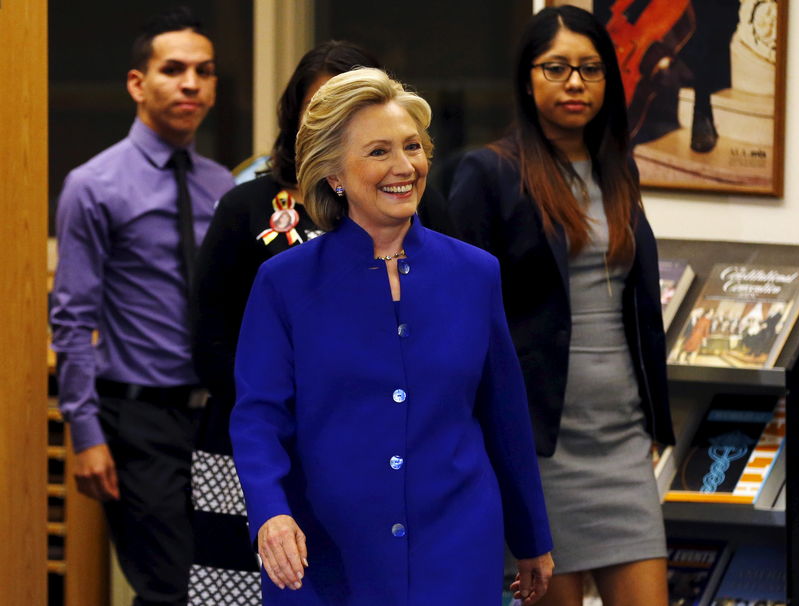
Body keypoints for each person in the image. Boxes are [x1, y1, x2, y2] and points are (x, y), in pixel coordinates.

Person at [229, 67, 554, 606]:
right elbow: (258, 416)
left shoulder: (476, 273)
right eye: (379, 152)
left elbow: (505, 417)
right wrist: (270, 512)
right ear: (334, 173)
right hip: (325, 550)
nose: (405, 167)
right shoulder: (284, 282)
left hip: (456, 548)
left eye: (413, 147)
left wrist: (531, 539)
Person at [446, 6, 675, 606]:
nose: (575, 83)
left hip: (622, 442)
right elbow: (458, 315)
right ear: (528, 78)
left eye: (591, 69)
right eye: (557, 68)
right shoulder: (490, 173)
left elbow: (636, 304)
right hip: (538, 446)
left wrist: (654, 417)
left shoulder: (619, 169)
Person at [50, 7, 234, 605]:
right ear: (137, 83)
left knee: (221, 585)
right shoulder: (94, 184)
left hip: (214, 419)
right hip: (138, 420)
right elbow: (74, 317)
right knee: (169, 589)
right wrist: (85, 432)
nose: (191, 84)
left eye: (204, 72)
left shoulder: (221, 186)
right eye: (174, 69)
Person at [187, 40, 380, 605]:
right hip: (249, 444)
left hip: (366, 448)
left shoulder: (405, 204)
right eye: (320, 104)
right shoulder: (246, 207)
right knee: (237, 592)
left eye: (353, 107)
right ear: (295, 113)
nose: (333, 121)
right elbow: (211, 341)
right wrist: (277, 412)